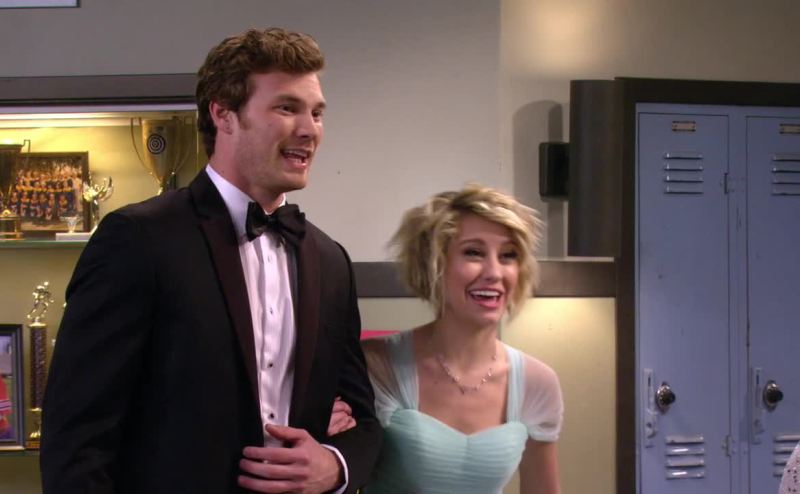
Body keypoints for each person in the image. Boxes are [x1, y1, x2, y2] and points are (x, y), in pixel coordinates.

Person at [40, 27, 382, 494]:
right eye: (287, 108)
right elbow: (77, 440)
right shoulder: (138, 239)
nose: (309, 130)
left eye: (317, 113)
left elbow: (364, 422)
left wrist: (335, 465)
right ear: (223, 114)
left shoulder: (330, 261)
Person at [353, 184, 563, 493]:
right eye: (473, 252)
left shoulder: (538, 382)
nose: (494, 272)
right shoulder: (375, 364)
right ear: (433, 264)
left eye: (508, 255)